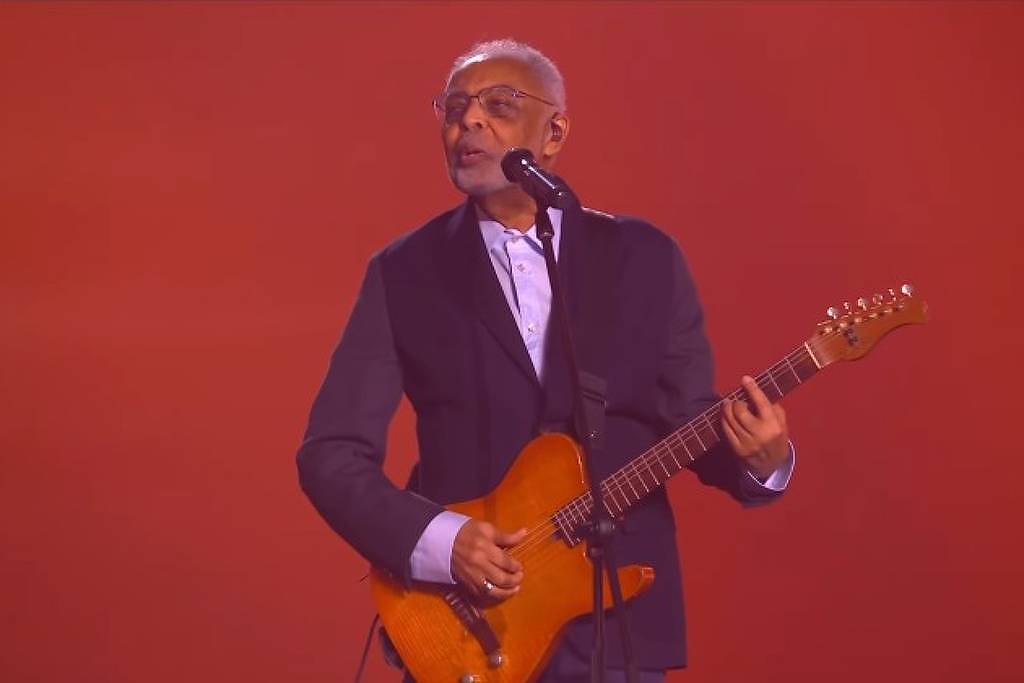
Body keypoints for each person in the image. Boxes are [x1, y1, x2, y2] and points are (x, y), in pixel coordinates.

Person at [297, 39, 794, 682]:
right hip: (473, 623)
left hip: (618, 624)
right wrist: (439, 541)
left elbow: (687, 418)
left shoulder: (643, 258)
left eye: (499, 105)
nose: (470, 122)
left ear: (554, 133)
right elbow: (329, 454)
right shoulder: (404, 273)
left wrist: (762, 461)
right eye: (454, 108)